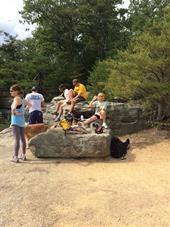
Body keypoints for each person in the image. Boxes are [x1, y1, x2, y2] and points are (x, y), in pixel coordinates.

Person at [10, 84, 30, 163]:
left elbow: (14, 108)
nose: (10, 92)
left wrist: (14, 113)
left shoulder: (16, 98)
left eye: (11, 91)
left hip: (15, 121)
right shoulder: (22, 99)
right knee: (22, 139)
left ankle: (15, 157)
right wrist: (23, 111)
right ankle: (23, 155)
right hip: (22, 121)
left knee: (16, 139)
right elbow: (30, 105)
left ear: (16, 91)